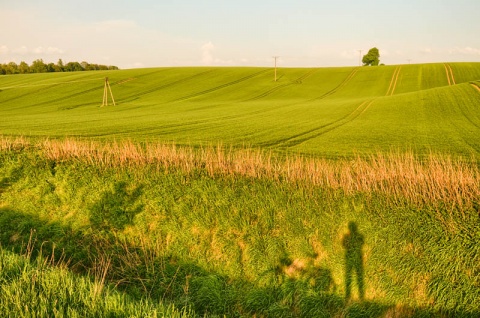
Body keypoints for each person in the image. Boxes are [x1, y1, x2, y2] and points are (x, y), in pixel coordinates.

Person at [342, 221, 365, 301]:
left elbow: (344, 245)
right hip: (356, 259)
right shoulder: (359, 236)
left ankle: (350, 296)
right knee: (356, 278)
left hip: (352, 258)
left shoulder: (348, 236)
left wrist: (350, 244)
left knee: (351, 278)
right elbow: (361, 243)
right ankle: (359, 296)